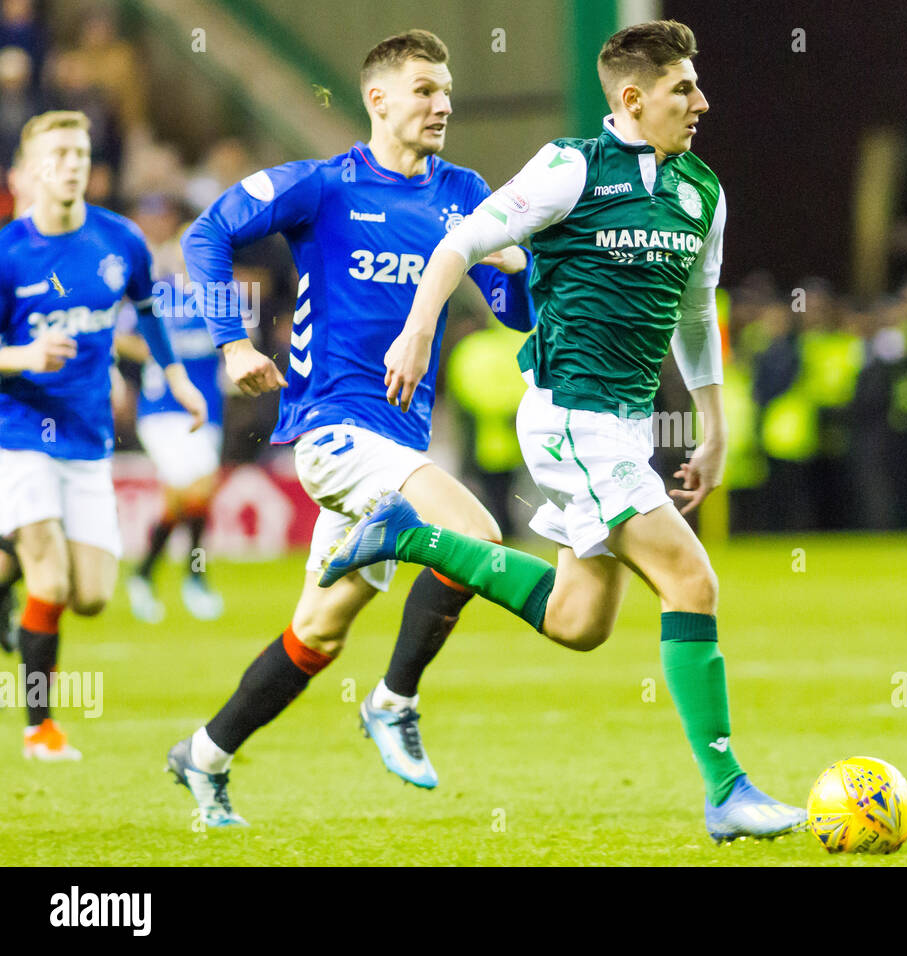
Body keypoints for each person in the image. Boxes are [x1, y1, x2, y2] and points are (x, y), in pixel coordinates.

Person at [322, 19, 806, 842]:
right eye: (683, 88)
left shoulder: (702, 193)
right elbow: (463, 241)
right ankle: (727, 790)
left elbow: (694, 313)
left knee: (581, 623)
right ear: (632, 98)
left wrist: (714, 426)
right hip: (571, 417)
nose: (702, 102)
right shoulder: (569, 167)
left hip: (624, 427)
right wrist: (415, 330)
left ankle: (413, 537)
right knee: (693, 584)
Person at [166, 30, 536, 827]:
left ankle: (203, 755)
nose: (442, 105)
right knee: (475, 531)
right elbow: (208, 234)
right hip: (333, 431)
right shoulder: (324, 187)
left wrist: (521, 271)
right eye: (424, 90)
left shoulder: (463, 190)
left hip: (399, 446)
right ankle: (394, 701)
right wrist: (233, 344)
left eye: (446, 91)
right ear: (378, 100)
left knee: (317, 635)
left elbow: (514, 315)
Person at [0, 110, 205, 759]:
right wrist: (25, 358)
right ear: (31, 170)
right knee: (52, 584)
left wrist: (176, 375)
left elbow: (148, 312)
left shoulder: (122, 241)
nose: (72, 165)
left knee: (89, 597)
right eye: (58, 154)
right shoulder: (8, 254)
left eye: (81, 153)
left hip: (88, 440)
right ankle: (40, 727)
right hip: (20, 433)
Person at [117, 195, 227, 622]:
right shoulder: (155, 294)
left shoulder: (217, 296)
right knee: (193, 491)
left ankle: (145, 574)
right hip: (161, 409)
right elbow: (119, 336)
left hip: (207, 410)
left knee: (185, 500)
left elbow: (235, 342)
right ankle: (195, 579)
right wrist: (155, 354)